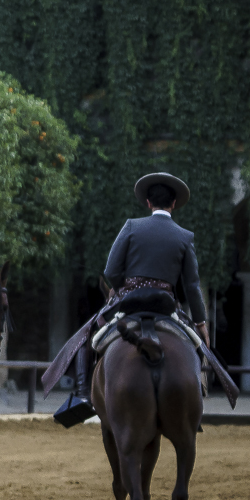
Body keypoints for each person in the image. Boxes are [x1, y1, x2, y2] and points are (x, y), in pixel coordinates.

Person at [52, 172, 210, 426]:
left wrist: (122, 289)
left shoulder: (131, 226)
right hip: (166, 306)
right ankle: (195, 398)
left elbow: (111, 271)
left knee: (87, 337)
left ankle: (83, 395)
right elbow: (192, 286)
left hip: (129, 301)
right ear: (174, 204)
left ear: (148, 203)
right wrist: (201, 323)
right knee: (196, 345)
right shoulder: (184, 236)